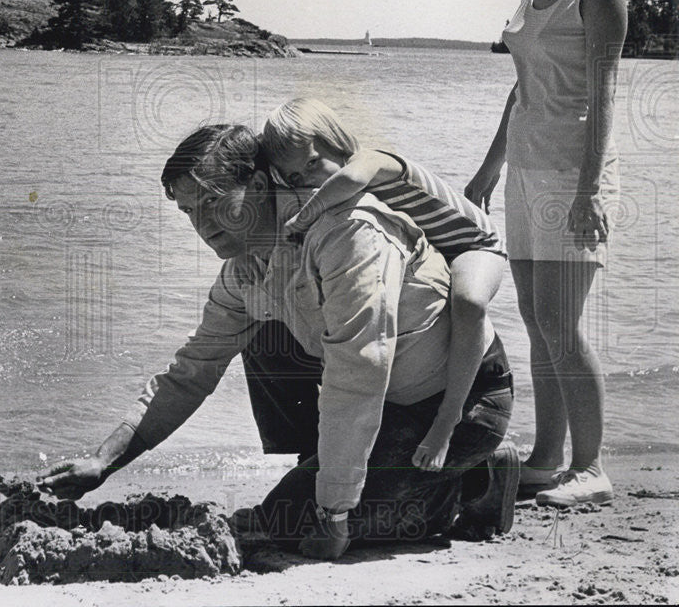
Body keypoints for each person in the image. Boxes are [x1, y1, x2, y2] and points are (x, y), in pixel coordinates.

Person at [40, 124, 517, 559]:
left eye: (213, 202)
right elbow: (191, 371)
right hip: (388, 400)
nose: (203, 226)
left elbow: (358, 379)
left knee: (290, 523)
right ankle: (332, 466)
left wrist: (333, 514)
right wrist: (102, 460)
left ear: (262, 185)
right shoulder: (246, 267)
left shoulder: (347, 233)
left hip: (458, 402)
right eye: (189, 211)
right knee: (262, 334)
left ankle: (473, 479)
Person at [465, 0, 625, 508]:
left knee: (561, 321)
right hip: (527, 169)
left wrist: (590, 188)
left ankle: (591, 469)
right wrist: (486, 171)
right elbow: (522, 89)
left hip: (572, 174)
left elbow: (606, 94)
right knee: (537, 320)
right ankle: (548, 457)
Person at [260, 97, 507, 473]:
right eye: (296, 178)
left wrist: (303, 216)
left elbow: (348, 179)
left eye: (313, 163)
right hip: (441, 254)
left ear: (337, 140)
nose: (310, 180)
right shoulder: (336, 196)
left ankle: (447, 421)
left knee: (469, 301)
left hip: (476, 244)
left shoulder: (371, 160)